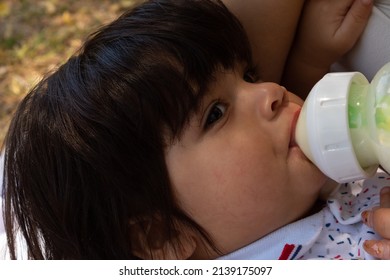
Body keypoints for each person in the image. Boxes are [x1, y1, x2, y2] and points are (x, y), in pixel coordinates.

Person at [0, 0, 380, 259]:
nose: (271, 91)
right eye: (215, 114)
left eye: (250, 75)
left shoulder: (297, 183)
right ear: (162, 236)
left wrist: (308, 59)